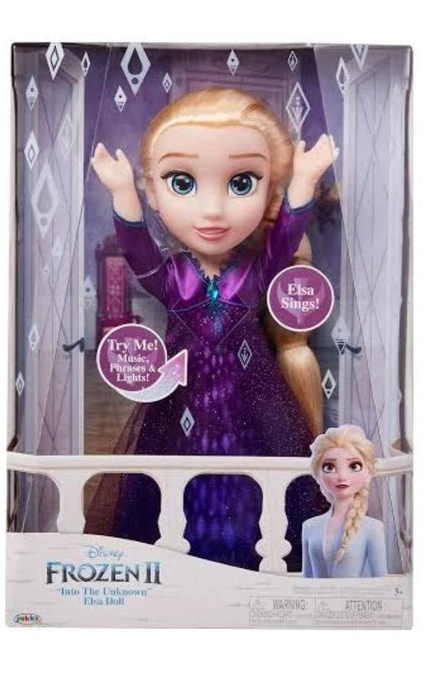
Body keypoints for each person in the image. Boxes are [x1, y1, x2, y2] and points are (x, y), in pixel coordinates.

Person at [85, 87, 337, 570]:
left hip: (252, 399)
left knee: (250, 483)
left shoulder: (253, 274)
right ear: (154, 192)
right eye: (182, 183)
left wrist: (305, 178)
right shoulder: (173, 278)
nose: (213, 210)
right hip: (182, 401)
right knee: (176, 482)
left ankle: (246, 567)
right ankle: (184, 568)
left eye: (242, 182)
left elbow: (283, 238)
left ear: (269, 189)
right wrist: (121, 192)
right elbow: (137, 250)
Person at [302, 425, 387, 578]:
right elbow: (306, 578)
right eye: (329, 467)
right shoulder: (310, 526)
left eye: (354, 466)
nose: (342, 476)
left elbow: (380, 582)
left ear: (369, 473)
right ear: (318, 475)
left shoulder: (373, 528)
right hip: (315, 594)